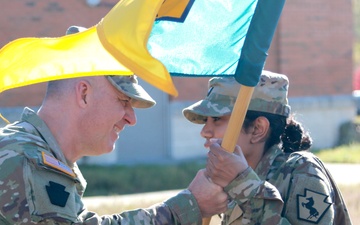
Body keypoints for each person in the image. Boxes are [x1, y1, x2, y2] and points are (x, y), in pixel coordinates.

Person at [0, 26, 228, 224]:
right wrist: (188, 206)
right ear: (84, 94)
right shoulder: (26, 162)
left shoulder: (32, 153)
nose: (132, 118)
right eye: (123, 101)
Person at [182, 71, 353, 224]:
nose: (205, 131)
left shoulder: (301, 171)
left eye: (217, 119)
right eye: (206, 121)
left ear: (258, 129)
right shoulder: (233, 183)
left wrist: (244, 185)